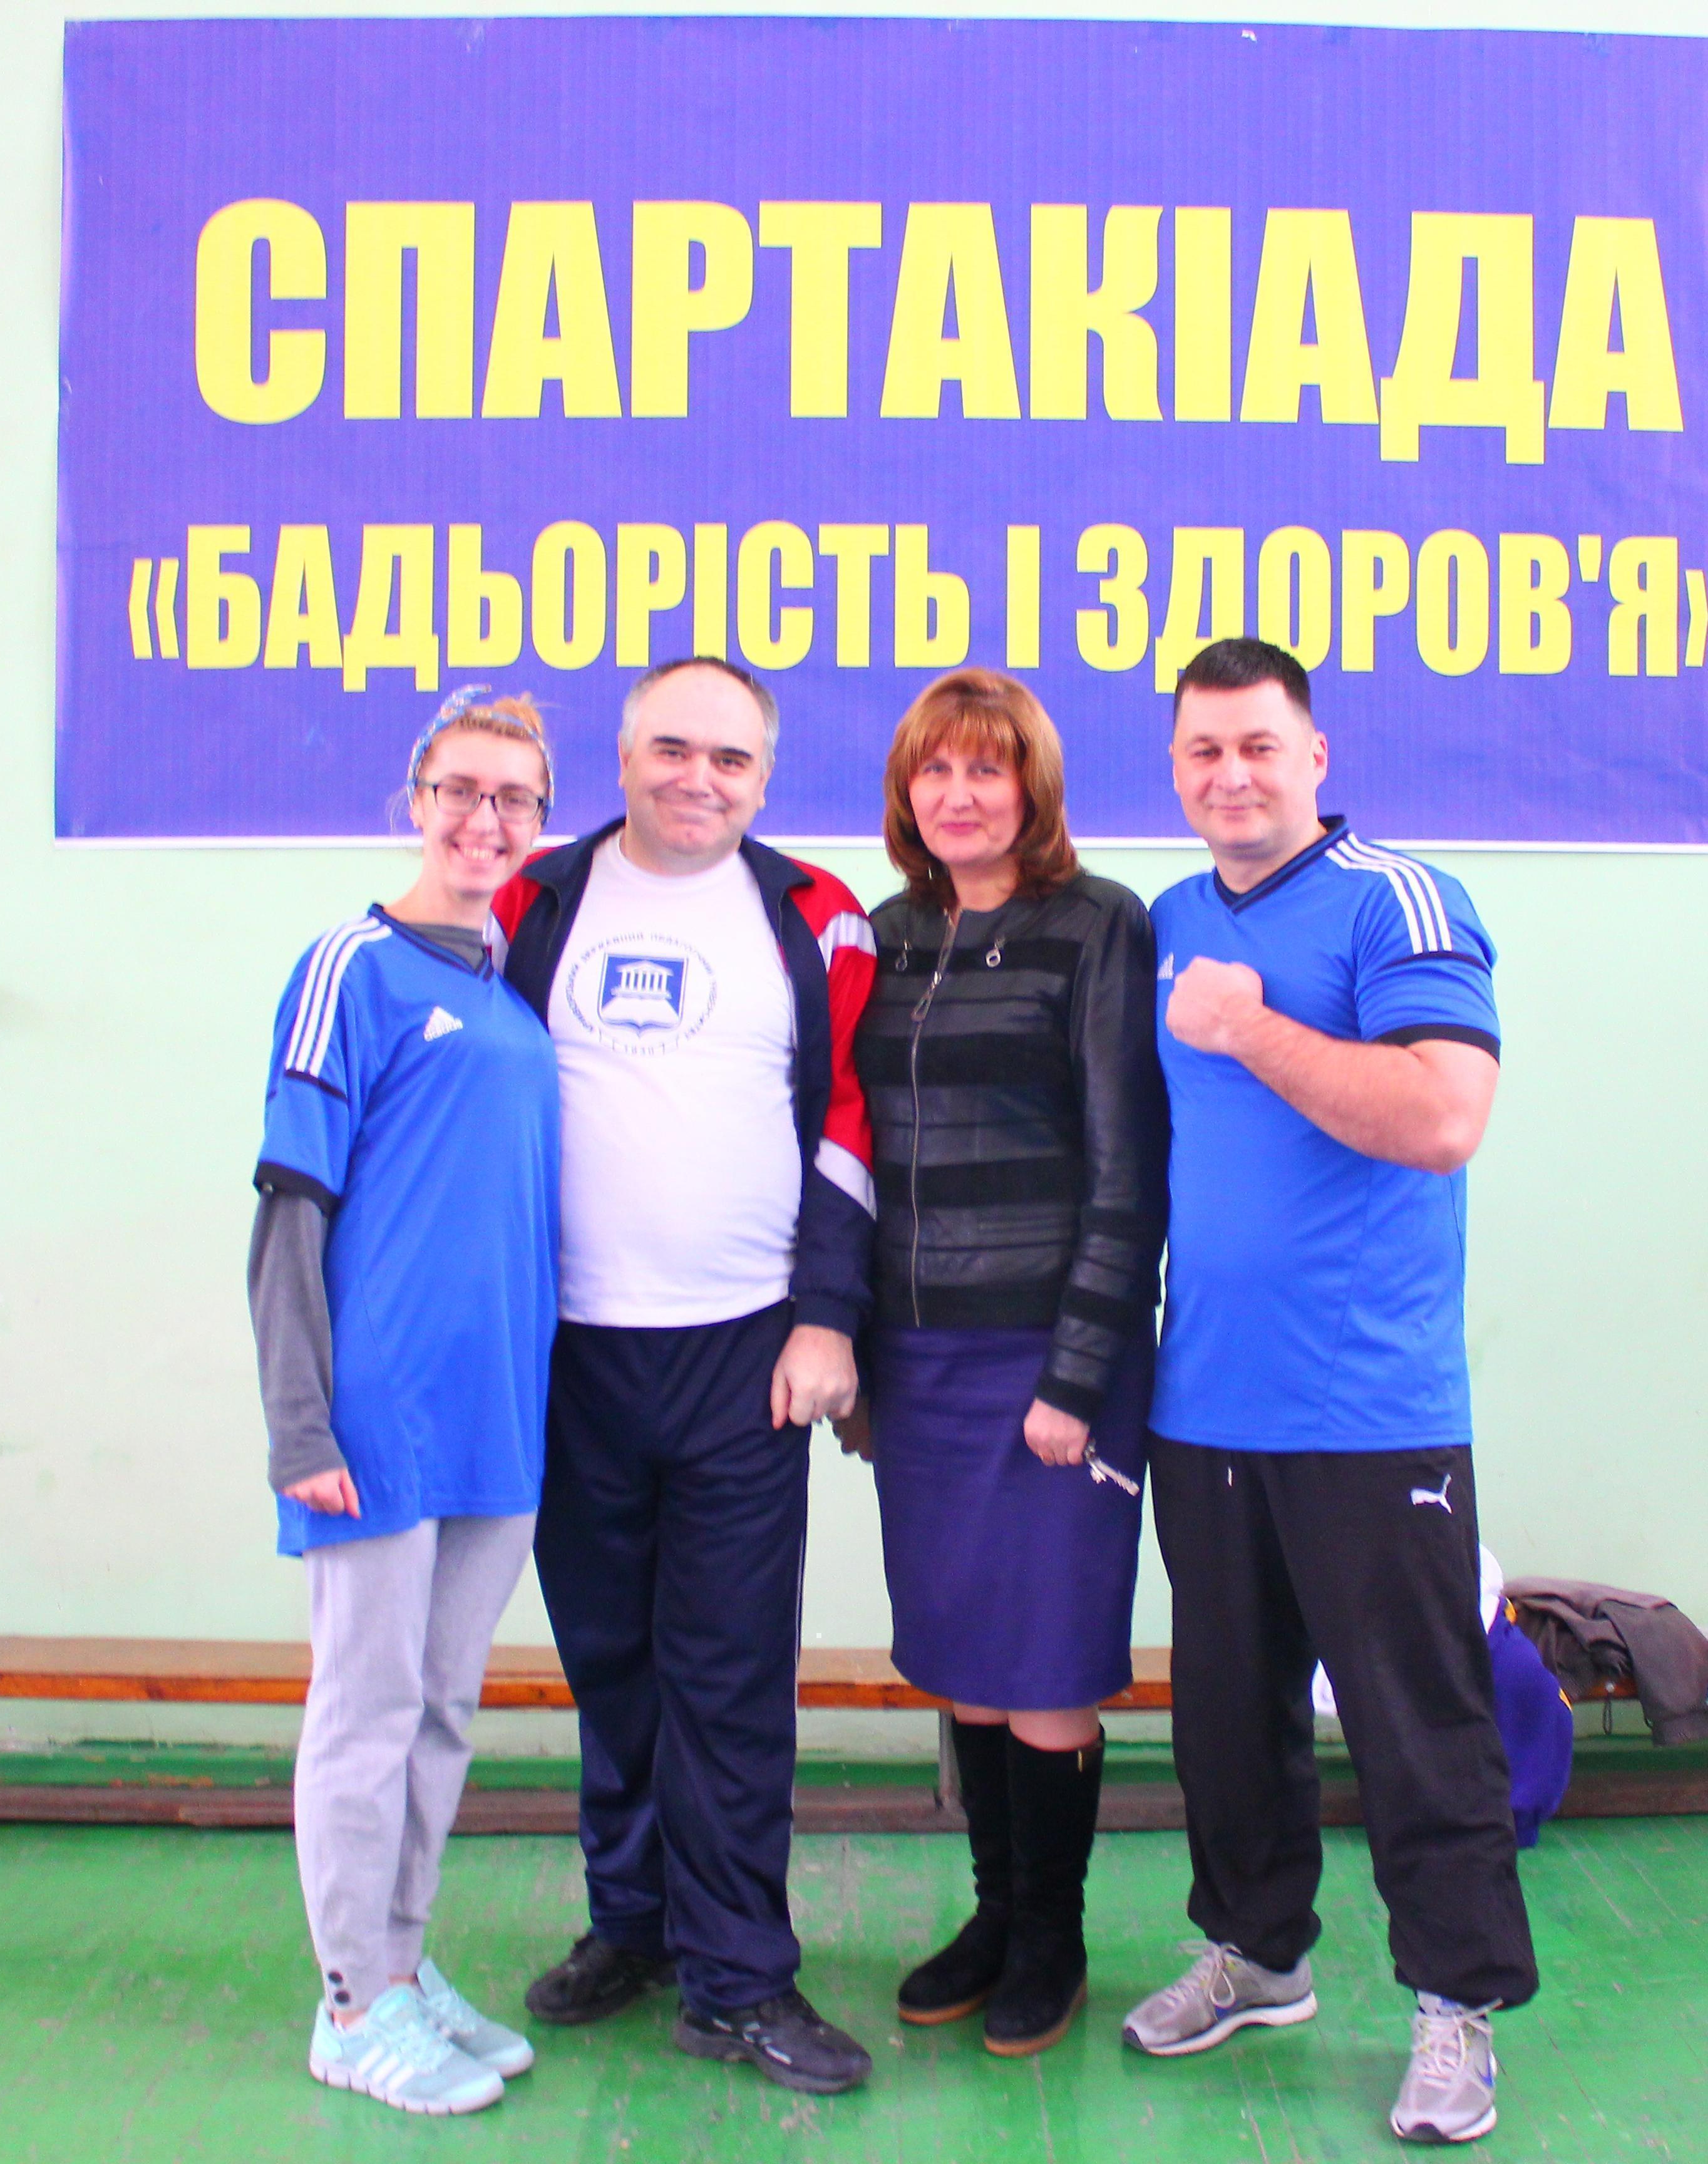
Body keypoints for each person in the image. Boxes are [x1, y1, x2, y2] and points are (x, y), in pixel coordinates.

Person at [1121, 639, 1537, 2148]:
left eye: (1259, 746)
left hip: (1370, 1412)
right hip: (1204, 1404)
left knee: (1417, 1725)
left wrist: (1250, 1027)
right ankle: (1257, 1956)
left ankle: (1455, 2007)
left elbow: (1442, 1118)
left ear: (1316, 757)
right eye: (1203, 751)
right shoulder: (1170, 921)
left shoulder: (1398, 902)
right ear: (1176, 769)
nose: (1231, 774)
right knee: (1229, 1724)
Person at [491, 655, 881, 2096]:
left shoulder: (817, 916)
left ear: (764, 778)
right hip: (568, 1352)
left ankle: (738, 1980)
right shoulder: (530, 901)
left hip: (746, 1355)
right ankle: (634, 1924)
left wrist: (827, 1318)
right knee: (611, 1662)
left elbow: (850, 1123)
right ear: (622, 757)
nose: (697, 779)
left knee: (726, 1680)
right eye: (671, 749)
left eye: (729, 759)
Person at [840, 669, 1166, 2056]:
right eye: (936, 771)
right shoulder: (886, 937)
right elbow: (850, 1148)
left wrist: (1076, 1377)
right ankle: (994, 1915)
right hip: (919, 1361)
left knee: (1044, 1668)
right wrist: (860, 1353)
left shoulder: (1099, 924)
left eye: (988, 770)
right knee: (967, 1659)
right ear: (906, 792)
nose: (960, 795)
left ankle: (1053, 1937)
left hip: (1047, 1357)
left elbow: (1128, 1168)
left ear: (1033, 788)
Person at [249, 689, 563, 2118]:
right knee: (366, 1711)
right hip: (379, 1419)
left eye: (515, 798)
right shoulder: (351, 968)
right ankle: (348, 2006)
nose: (485, 820)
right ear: (417, 798)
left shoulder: (508, 997)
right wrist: (300, 1426)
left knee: (440, 1710)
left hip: (496, 1420)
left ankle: (398, 1960)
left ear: (540, 820)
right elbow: (288, 1212)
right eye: (462, 790)